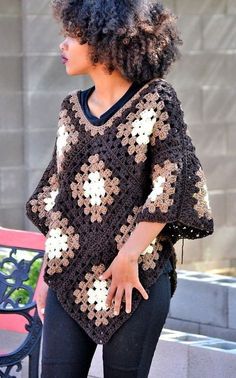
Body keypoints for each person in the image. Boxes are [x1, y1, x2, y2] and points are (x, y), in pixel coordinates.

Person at [25, 1, 214, 377]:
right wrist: (48, 273)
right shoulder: (70, 110)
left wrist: (129, 256)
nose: (62, 45)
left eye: (73, 36)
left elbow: (172, 181)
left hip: (135, 277)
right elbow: (60, 200)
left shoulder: (156, 100)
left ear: (104, 40)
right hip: (70, 278)